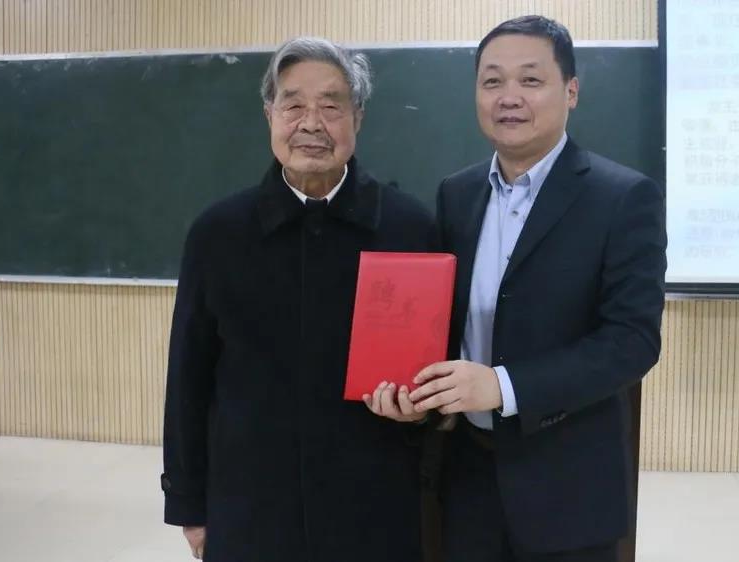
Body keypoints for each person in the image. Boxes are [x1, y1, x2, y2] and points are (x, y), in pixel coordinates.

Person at [368, 14, 667, 562]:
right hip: (467, 476)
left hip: (567, 485)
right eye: (492, 81)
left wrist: (503, 387)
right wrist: (418, 396)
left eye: (530, 79)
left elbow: (632, 342)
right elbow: (446, 323)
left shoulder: (623, 198)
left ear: (571, 91)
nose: (509, 97)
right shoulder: (457, 194)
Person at [161, 36, 433, 562]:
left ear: (358, 117)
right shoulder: (218, 234)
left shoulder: (409, 228)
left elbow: (433, 374)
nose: (312, 124)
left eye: (331, 106)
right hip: (250, 505)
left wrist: (419, 412)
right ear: (269, 114)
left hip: (374, 505)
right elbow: (188, 378)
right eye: (293, 105)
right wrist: (189, 505)